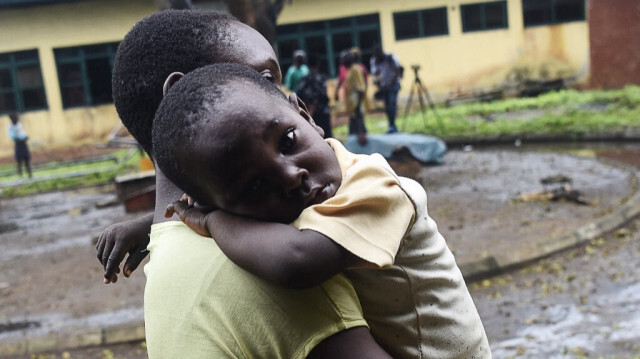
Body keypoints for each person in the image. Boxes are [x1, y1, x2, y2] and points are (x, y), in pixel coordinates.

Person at [98, 10, 390, 358]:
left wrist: (150, 224)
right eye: (266, 78)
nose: (287, 99)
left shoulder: (170, 248)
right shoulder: (265, 272)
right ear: (185, 92)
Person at [155, 63, 492, 359]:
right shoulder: (308, 199)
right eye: (254, 187)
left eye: (287, 140)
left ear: (305, 115)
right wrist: (147, 226)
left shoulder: (374, 186)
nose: (291, 177)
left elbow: (297, 263)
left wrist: (213, 221)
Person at [296, 54, 332, 138]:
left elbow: (299, 96)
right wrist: (314, 106)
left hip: (308, 115)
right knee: (326, 138)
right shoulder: (322, 78)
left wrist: (310, 109)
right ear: (318, 64)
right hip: (322, 113)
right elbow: (322, 95)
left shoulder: (303, 80)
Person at [370, 45, 402, 133]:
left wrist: (390, 84)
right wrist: (378, 83)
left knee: (391, 104)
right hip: (384, 86)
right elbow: (376, 73)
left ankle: (393, 125)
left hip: (394, 84)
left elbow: (398, 71)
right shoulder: (375, 60)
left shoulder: (390, 57)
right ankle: (391, 125)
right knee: (388, 107)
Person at [343, 50, 368, 145]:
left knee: (360, 132)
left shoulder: (356, 70)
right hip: (352, 106)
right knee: (353, 132)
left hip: (356, 106)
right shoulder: (350, 70)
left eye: (344, 59)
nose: (342, 62)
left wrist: (357, 106)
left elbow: (361, 89)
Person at [7, 112, 32, 178]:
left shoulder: (19, 125)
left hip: (23, 144)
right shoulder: (10, 127)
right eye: (15, 117)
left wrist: (25, 137)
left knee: (27, 160)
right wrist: (22, 139)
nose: (17, 118)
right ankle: (20, 176)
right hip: (18, 144)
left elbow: (23, 134)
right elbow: (13, 137)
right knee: (19, 161)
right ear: (12, 119)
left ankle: (30, 175)